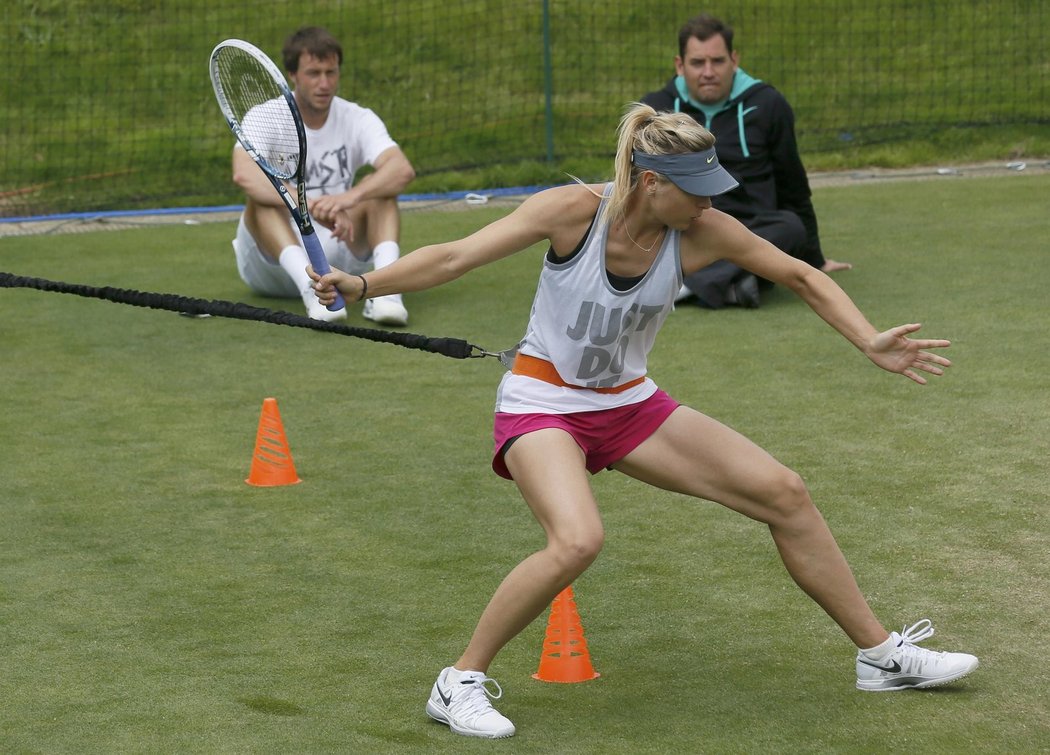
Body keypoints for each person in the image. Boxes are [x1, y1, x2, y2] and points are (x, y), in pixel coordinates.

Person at [310, 104, 978, 739]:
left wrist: (867, 339)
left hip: (628, 403)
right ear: (652, 182)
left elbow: (799, 275)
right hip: (542, 402)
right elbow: (456, 256)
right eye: (697, 192)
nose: (710, 206)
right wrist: (366, 284)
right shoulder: (573, 212)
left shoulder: (700, 230)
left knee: (785, 492)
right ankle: (459, 679)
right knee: (576, 540)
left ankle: (880, 655)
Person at [641, 13, 851, 310]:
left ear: (734, 60)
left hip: (752, 230)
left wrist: (815, 258)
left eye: (718, 61)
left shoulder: (768, 104)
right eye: (698, 63)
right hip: (684, 226)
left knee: (790, 228)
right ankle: (734, 286)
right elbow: (638, 184)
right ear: (679, 65)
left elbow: (793, 185)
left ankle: (684, 287)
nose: (708, 72)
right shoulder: (656, 109)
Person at [230, 26, 416, 325]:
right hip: (273, 267)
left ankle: (385, 294)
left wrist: (348, 199)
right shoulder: (267, 115)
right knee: (259, 201)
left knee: (379, 190)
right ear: (293, 75)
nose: (324, 83)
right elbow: (244, 174)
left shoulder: (357, 117)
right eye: (314, 73)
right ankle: (311, 291)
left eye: (331, 72)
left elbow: (401, 169)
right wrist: (311, 206)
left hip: (339, 248)